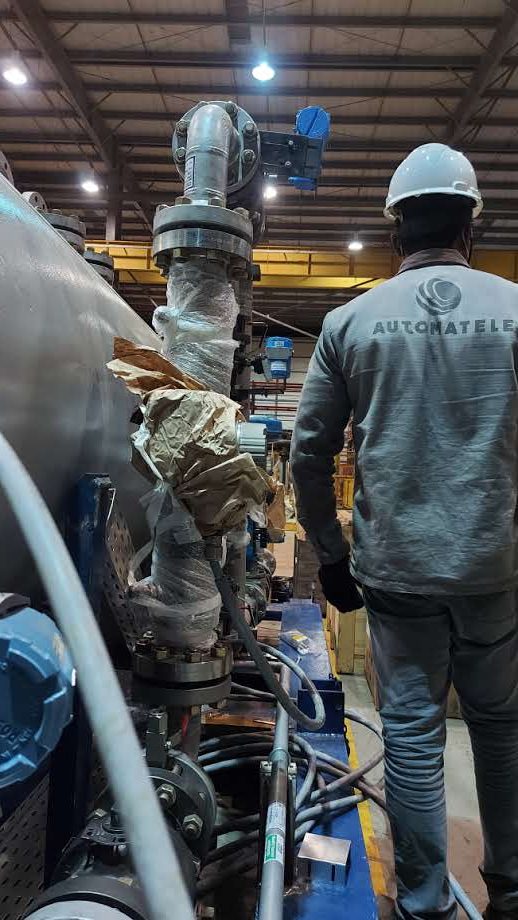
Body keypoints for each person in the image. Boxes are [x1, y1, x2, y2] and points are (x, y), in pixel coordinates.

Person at [290, 142, 518, 920]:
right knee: (501, 731)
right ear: (469, 225)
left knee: (415, 739)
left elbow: (309, 452)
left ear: (395, 231)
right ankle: (510, 893)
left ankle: (423, 905)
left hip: (397, 572)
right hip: (493, 568)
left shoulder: (349, 322)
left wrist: (330, 555)